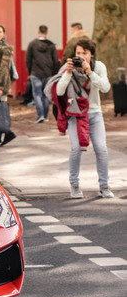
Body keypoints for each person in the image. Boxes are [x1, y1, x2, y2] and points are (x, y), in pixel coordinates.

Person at [55, 39, 113, 199]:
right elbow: (59, 91)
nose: (80, 56)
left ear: (91, 54)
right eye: (78, 53)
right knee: (76, 148)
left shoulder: (98, 67)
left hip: (95, 113)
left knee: (101, 148)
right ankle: (74, 185)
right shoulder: (69, 67)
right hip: (76, 114)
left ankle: (104, 185)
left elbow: (105, 87)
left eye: (84, 53)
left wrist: (90, 72)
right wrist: (67, 73)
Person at [25, 25, 60, 123]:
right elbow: (55, 60)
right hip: (48, 73)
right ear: (47, 32)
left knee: (37, 94)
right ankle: (45, 116)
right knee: (46, 95)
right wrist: (53, 73)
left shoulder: (32, 44)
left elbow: (28, 59)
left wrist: (30, 71)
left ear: (38, 32)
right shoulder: (51, 45)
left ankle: (40, 115)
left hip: (35, 73)